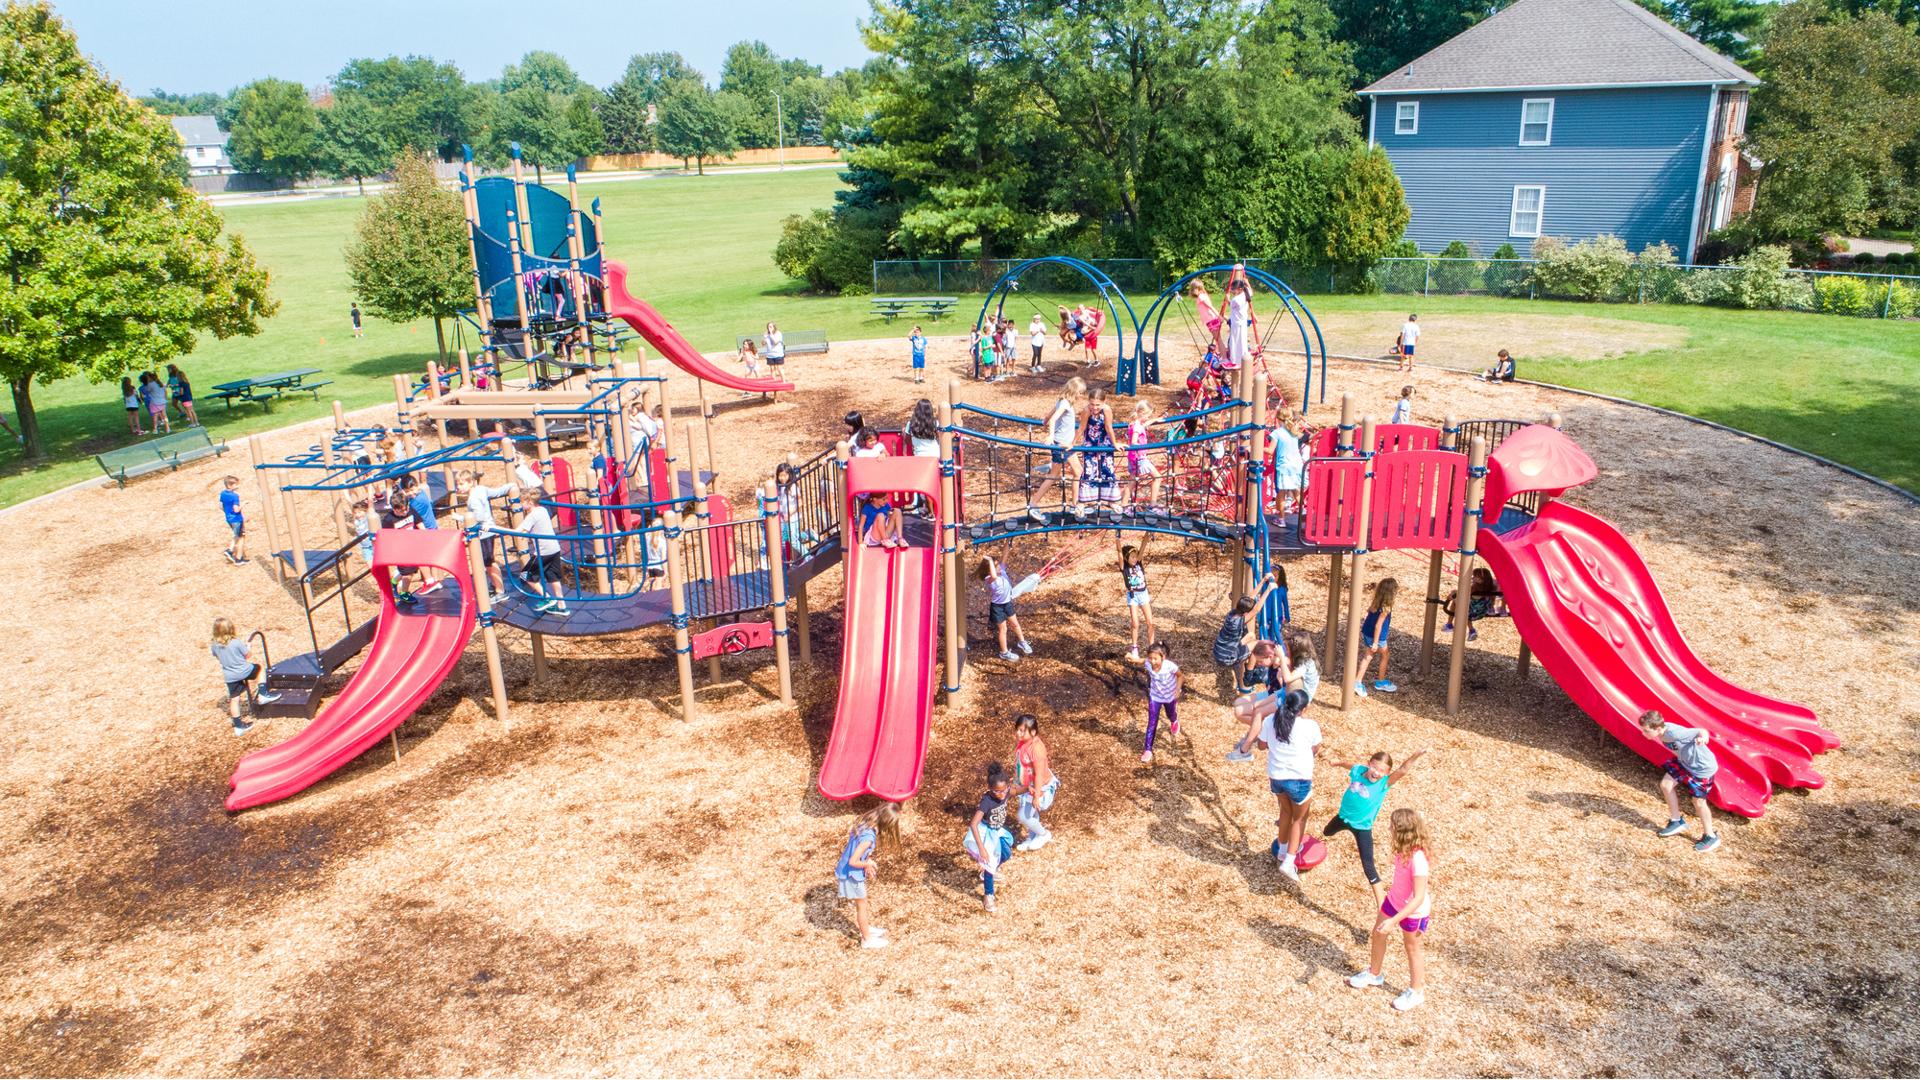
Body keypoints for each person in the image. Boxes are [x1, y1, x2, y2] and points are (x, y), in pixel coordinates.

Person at [1348, 808, 1434, 1011]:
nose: (1389, 829)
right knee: (1377, 934)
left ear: (1402, 831)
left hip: (1414, 911)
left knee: (1412, 949)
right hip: (1393, 901)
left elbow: (1419, 897)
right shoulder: (1402, 849)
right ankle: (1374, 974)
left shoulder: (1418, 860)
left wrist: (1394, 920)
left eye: (1392, 826)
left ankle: (1416, 992)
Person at [1324, 749, 1430, 906]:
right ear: (1369, 764)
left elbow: (1402, 770)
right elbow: (1350, 765)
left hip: (1362, 828)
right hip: (1342, 817)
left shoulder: (1383, 783)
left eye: (1382, 771)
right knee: (1326, 832)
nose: (1377, 773)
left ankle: (1382, 906)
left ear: (1386, 773)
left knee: (1369, 868)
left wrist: (1415, 755)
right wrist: (1338, 763)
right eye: (1374, 767)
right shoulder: (1359, 770)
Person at [1251, 689, 1320, 881]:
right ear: (1304, 709)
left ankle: (1282, 850)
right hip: (1299, 778)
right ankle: (1289, 862)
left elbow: (1262, 745)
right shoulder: (1310, 726)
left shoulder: (1270, 720)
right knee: (1299, 818)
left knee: (1285, 812)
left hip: (1276, 777)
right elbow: (1315, 748)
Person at [1639, 710, 1721, 852]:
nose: (1643, 734)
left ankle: (1711, 836)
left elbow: (1701, 731)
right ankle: (1677, 821)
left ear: (1658, 728)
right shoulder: (1663, 732)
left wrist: (1704, 739)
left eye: (1646, 731)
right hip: (1686, 763)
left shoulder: (1673, 733)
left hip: (1702, 768)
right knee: (1666, 784)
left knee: (1698, 802)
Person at [835, 802, 902, 949]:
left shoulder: (864, 823)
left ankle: (865, 927)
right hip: (851, 874)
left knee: (862, 904)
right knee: (861, 907)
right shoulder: (868, 839)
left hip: (850, 871)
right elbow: (853, 861)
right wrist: (867, 864)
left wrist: (867, 860)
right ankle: (867, 939)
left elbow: (855, 851)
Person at [1027, 378, 1086, 522]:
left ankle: (1074, 505)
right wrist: (1050, 436)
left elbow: (1050, 416)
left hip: (1067, 445)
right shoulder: (1065, 404)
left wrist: (1045, 420)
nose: (1081, 396)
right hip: (1060, 445)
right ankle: (1033, 504)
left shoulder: (1063, 401)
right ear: (1074, 391)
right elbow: (1054, 419)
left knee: (1078, 471)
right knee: (1053, 476)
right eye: (1080, 392)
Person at [965, 762, 1020, 912]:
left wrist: (1030, 789)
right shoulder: (987, 801)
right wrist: (982, 849)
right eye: (997, 791)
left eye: (1004, 790)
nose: (1001, 795)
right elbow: (973, 824)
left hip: (997, 830)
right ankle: (988, 895)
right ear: (990, 789)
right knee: (990, 863)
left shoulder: (1007, 791)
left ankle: (989, 870)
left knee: (1006, 853)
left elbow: (1016, 791)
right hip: (986, 832)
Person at [211, 617, 280, 736]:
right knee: (259, 668)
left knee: (234, 699)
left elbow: (218, 657)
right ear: (231, 629)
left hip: (230, 676)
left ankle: (238, 727)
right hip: (244, 670)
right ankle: (263, 694)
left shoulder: (214, 645)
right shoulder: (236, 642)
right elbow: (247, 655)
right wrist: (248, 647)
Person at [1212, 573, 1280, 691]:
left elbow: (1250, 598)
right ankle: (1248, 675)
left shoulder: (1233, 613)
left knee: (1251, 635)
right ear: (1245, 613)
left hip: (1219, 650)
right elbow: (1257, 609)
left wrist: (1263, 580)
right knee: (1258, 643)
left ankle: (1245, 659)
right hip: (1227, 657)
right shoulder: (1238, 622)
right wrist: (1269, 589)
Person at [462, 470, 517, 594]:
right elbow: (497, 492)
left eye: (461, 484)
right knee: (489, 561)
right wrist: (511, 485)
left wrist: (461, 518)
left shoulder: (472, 499)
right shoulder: (481, 489)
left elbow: (479, 516)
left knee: (489, 562)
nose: (458, 487)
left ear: (470, 483)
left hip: (484, 532)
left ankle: (500, 590)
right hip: (488, 529)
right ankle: (496, 586)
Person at [1011, 714, 1058, 851]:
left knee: (1023, 815)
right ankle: (1031, 838)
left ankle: (1043, 834)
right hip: (1027, 785)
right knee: (1030, 813)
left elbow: (1039, 774)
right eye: (1017, 729)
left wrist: (1037, 795)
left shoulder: (1036, 749)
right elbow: (1020, 763)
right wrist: (1016, 780)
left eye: (1021, 730)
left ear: (1033, 732)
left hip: (1039, 786)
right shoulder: (1023, 743)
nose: (1018, 733)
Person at [519, 488, 568, 615]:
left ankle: (547, 598)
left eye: (522, 502)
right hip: (554, 548)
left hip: (543, 552)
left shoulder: (531, 515)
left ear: (529, 502)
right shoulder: (543, 510)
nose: (520, 504)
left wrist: (493, 527)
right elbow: (537, 527)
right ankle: (562, 606)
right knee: (553, 577)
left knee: (526, 576)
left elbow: (517, 531)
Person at [978, 554, 1037, 662]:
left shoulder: (1002, 571)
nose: (999, 567)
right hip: (997, 607)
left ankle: (1022, 642)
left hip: (1007, 603)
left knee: (1015, 624)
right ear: (990, 570)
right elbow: (994, 576)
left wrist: (1007, 541)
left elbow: (1005, 554)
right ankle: (1004, 653)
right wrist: (990, 560)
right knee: (1003, 629)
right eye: (996, 566)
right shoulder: (989, 578)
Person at [1353, 577, 1400, 697]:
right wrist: (1375, 642)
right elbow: (1378, 626)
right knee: (1385, 655)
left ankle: (1357, 682)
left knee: (1367, 657)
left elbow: (1369, 615)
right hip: (1377, 637)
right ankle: (1380, 681)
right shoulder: (1386, 609)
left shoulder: (1376, 602)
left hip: (1366, 632)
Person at [1075, 387, 1118, 516]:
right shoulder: (1086, 410)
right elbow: (1081, 428)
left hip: (1104, 442)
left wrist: (1115, 444)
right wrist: (1072, 443)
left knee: (1107, 469)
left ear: (1104, 402)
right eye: (1092, 404)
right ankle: (1082, 502)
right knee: (1089, 470)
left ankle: (1111, 500)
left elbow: (1109, 428)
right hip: (1090, 443)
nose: (1094, 407)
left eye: (1098, 405)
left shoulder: (1107, 410)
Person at [1139, 641, 1183, 765]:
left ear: (1163, 657)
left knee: (1171, 714)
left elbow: (1180, 676)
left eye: (1156, 659)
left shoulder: (1170, 666)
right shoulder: (1148, 663)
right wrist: (1133, 658)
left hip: (1169, 697)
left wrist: (1178, 689)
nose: (1153, 661)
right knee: (1152, 723)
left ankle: (1174, 721)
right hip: (1155, 697)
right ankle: (1148, 750)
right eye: (1151, 658)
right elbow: (1141, 661)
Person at [1115, 543, 1157, 661]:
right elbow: (1119, 552)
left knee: (1150, 622)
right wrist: (1117, 538)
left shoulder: (1139, 563)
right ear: (1126, 558)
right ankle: (1134, 648)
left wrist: (1148, 534)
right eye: (1132, 557)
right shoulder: (1125, 568)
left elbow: (1143, 547)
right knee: (1135, 623)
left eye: (1135, 556)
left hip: (1143, 594)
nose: (1134, 559)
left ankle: (1152, 647)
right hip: (1133, 596)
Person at [1443, 567, 1505, 640]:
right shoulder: (1491, 587)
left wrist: (1453, 594)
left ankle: (1449, 624)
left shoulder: (1474, 588)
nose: (1473, 577)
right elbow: (1493, 598)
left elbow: (1463, 594)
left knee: (1459, 605)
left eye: (1475, 576)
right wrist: (1492, 607)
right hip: (1482, 612)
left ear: (1480, 579)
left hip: (1470, 612)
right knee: (1465, 609)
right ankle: (1471, 630)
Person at [1125, 401, 1162, 511]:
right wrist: (1139, 446)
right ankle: (1153, 504)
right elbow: (1133, 442)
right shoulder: (1137, 426)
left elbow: (1144, 425)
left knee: (1133, 482)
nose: (1147, 418)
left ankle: (1122, 504)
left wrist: (1154, 420)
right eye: (1147, 415)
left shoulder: (1135, 424)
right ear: (1141, 413)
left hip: (1134, 457)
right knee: (1157, 477)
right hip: (1139, 458)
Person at [1272, 410, 1306, 517]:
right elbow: (1305, 437)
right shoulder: (1293, 431)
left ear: (1277, 419)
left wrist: (1255, 446)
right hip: (1297, 464)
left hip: (1284, 465)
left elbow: (1270, 450)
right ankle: (1303, 512)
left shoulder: (1277, 433)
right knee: (1295, 490)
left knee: (1281, 492)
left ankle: (1281, 519)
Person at [219, 475, 248, 565]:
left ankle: (230, 551)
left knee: (236, 535)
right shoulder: (235, 496)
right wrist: (243, 504)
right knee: (241, 537)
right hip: (237, 519)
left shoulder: (223, 493)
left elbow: (220, 506)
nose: (238, 486)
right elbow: (236, 510)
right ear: (230, 486)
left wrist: (228, 513)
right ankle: (238, 559)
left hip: (229, 519)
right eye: (236, 485)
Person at [1225, 279, 1251, 369]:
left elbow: (1230, 304)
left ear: (1240, 289)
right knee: (1242, 341)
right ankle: (1243, 359)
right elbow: (1251, 291)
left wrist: (1227, 299)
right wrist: (1247, 283)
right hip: (1242, 322)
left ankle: (1235, 360)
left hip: (1236, 323)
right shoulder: (1246, 293)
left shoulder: (1236, 299)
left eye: (1233, 289)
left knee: (1234, 341)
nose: (1232, 291)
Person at [140, 371, 171, 435]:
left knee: (155, 416)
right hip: (162, 402)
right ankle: (167, 428)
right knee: (164, 416)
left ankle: (155, 429)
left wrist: (148, 382)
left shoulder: (151, 384)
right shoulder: (160, 384)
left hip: (155, 403)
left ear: (150, 378)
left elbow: (146, 391)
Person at [761, 322, 786, 401]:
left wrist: (771, 334)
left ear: (774, 327)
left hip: (778, 354)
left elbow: (775, 342)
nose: (769, 328)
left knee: (779, 368)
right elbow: (763, 344)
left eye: (771, 326)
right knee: (772, 369)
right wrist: (764, 339)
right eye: (768, 327)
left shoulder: (778, 334)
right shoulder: (766, 334)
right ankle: (773, 382)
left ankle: (784, 381)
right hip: (770, 354)